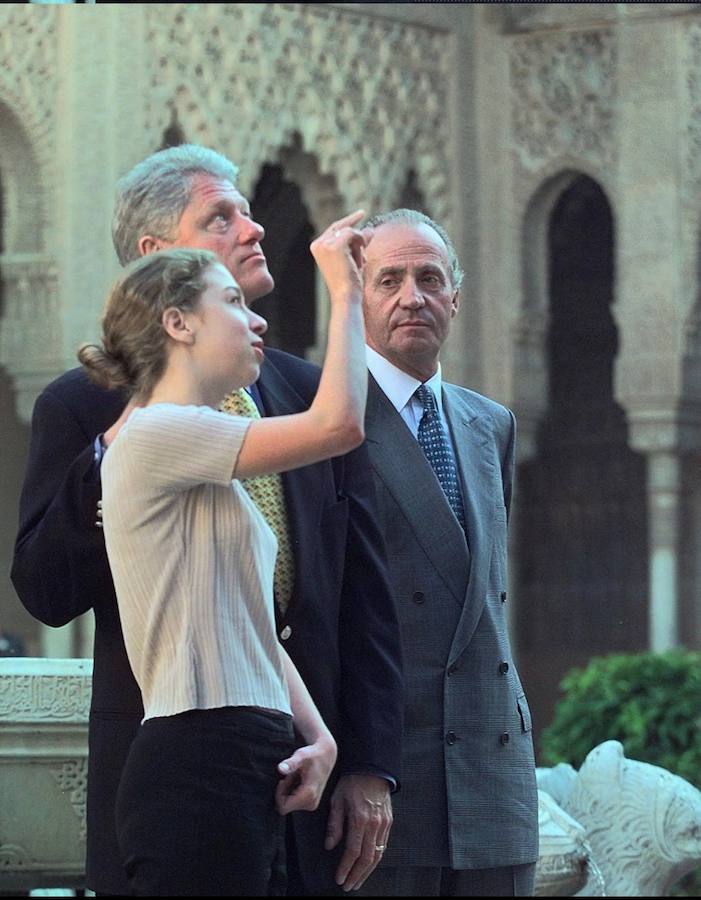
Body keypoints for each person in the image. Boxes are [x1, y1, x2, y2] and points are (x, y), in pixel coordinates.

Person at [11, 145, 403, 896]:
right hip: (190, 756)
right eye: (221, 217)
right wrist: (346, 295)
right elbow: (46, 587)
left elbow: (360, 598)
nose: (252, 230)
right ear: (160, 263)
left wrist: (343, 749)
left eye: (249, 211)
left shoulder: (292, 388)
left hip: (290, 773)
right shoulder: (108, 416)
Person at [76, 225, 366, 894]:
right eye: (233, 301)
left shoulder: (196, 453)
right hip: (198, 760)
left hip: (242, 754)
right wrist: (345, 292)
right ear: (177, 322)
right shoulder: (155, 432)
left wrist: (317, 737)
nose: (255, 317)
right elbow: (339, 426)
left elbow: (249, 624)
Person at [355, 209, 539, 897]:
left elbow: (480, 593)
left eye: (429, 278)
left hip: (495, 773)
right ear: (359, 296)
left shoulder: (489, 424)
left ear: (454, 297)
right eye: (389, 280)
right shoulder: (327, 421)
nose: (412, 297)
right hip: (386, 776)